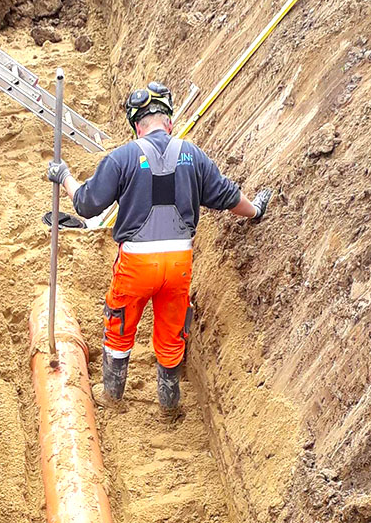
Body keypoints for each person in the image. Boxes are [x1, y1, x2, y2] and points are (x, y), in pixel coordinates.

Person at [46, 81, 272, 413]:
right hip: (179, 261)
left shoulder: (122, 157)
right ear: (168, 120)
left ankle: (112, 395)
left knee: (120, 325)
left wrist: (63, 175)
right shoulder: (192, 155)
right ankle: (169, 405)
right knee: (171, 330)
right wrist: (256, 210)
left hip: (137, 262)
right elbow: (227, 196)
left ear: (137, 125)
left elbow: (86, 204)